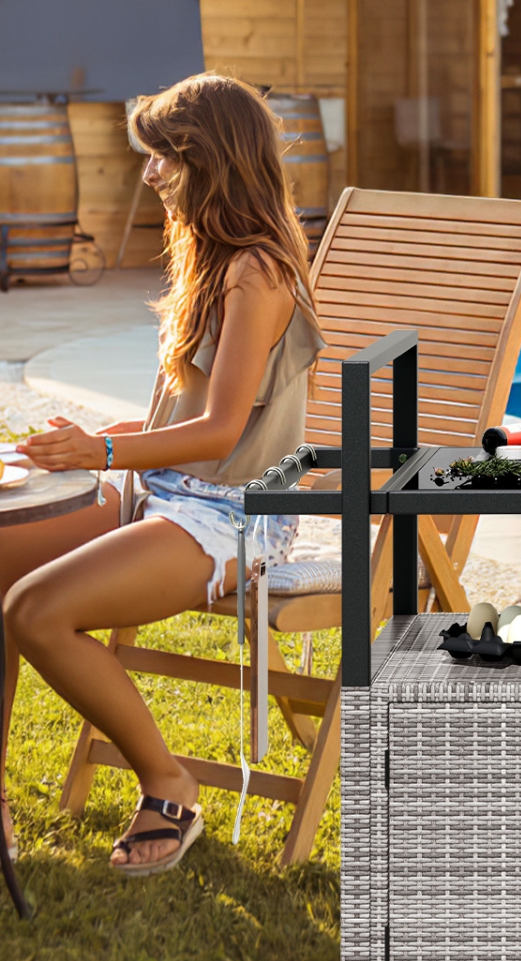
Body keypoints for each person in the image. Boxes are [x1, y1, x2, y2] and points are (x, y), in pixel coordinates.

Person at [0, 74, 324, 877]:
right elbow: (175, 422)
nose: (148, 174)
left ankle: (170, 786)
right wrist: (74, 446)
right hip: (172, 491)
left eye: (162, 159)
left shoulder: (258, 272)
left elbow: (219, 431)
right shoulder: (205, 255)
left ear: (209, 161)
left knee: (36, 612)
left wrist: (101, 458)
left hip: (233, 514)